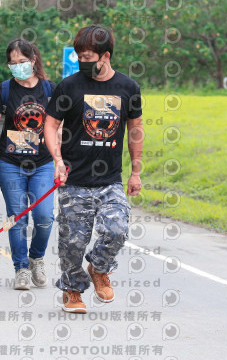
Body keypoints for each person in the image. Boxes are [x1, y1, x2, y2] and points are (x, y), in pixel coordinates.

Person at [44, 24, 144, 314]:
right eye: (79, 56)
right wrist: (57, 159)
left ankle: (99, 267)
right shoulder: (69, 86)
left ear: (106, 56)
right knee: (72, 244)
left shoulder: (127, 88)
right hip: (74, 179)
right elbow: (50, 124)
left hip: (109, 180)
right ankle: (73, 290)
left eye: (88, 57)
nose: (82, 62)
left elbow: (135, 130)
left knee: (117, 229)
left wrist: (136, 171)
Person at [0, 39, 57, 290]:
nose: (18, 66)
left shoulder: (49, 89)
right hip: (10, 163)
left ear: (33, 60)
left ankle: (36, 258)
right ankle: (21, 269)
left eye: (22, 61)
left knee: (44, 217)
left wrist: (60, 161)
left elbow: (59, 128)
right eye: (13, 63)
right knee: (17, 218)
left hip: (43, 163)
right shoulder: (4, 90)